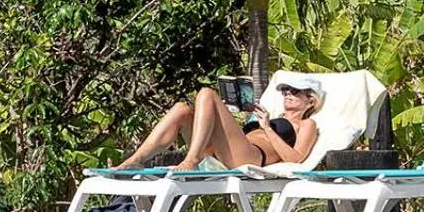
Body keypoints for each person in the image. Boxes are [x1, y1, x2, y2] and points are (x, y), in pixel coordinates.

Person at [113, 76, 323, 171]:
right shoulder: (269, 114)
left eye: (294, 92)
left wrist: (267, 127)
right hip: (225, 152)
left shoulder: (307, 125)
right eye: (286, 91)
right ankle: (135, 159)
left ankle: (191, 160)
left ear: (310, 100)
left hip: (250, 157)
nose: (288, 94)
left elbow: (295, 160)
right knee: (181, 109)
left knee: (206, 94)